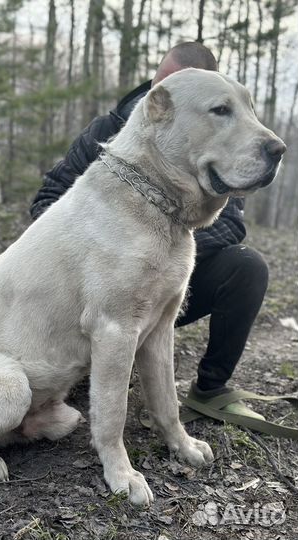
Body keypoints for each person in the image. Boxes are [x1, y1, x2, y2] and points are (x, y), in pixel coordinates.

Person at [30, 42, 268, 420]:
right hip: (95, 286)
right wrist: (107, 248)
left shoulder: (222, 138)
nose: (166, 98)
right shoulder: (107, 129)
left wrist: (161, 256)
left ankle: (210, 389)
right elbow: (48, 200)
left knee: (248, 267)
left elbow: (230, 224)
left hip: (172, 278)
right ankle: (75, 359)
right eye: (163, 87)